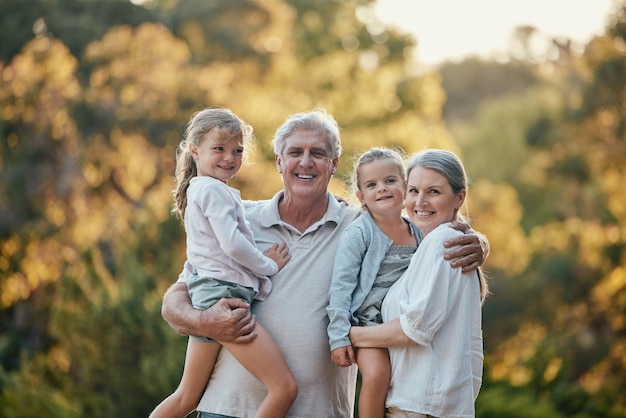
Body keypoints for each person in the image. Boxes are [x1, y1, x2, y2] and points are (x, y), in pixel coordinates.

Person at [160, 109, 490, 418]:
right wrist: (203, 321)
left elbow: (425, 225)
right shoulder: (238, 220)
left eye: (317, 153)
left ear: (333, 164)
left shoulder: (363, 227)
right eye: (295, 153)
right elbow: (177, 297)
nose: (306, 162)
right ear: (278, 161)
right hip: (229, 409)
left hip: (322, 411)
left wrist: (479, 244)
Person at [150, 107, 297, 418]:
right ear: (194, 150)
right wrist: (268, 265)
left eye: (237, 150)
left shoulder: (201, 190)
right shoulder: (214, 191)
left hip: (209, 295)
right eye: (219, 149)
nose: (229, 158)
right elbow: (232, 244)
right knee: (284, 387)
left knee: (187, 396)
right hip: (224, 298)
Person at [349, 149, 489, 418]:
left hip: (419, 409)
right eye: (413, 190)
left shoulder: (441, 242)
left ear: (459, 197)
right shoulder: (423, 246)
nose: (420, 202)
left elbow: (415, 329)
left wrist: (347, 335)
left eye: (433, 192)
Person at [327, 147, 421, 418]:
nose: (382, 189)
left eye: (390, 181)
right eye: (372, 185)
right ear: (361, 196)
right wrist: (338, 337)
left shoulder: (417, 231)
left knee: (403, 383)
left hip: (402, 324)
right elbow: (341, 286)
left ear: (406, 186)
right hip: (366, 324)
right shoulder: (359, 232)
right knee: (378, 375)